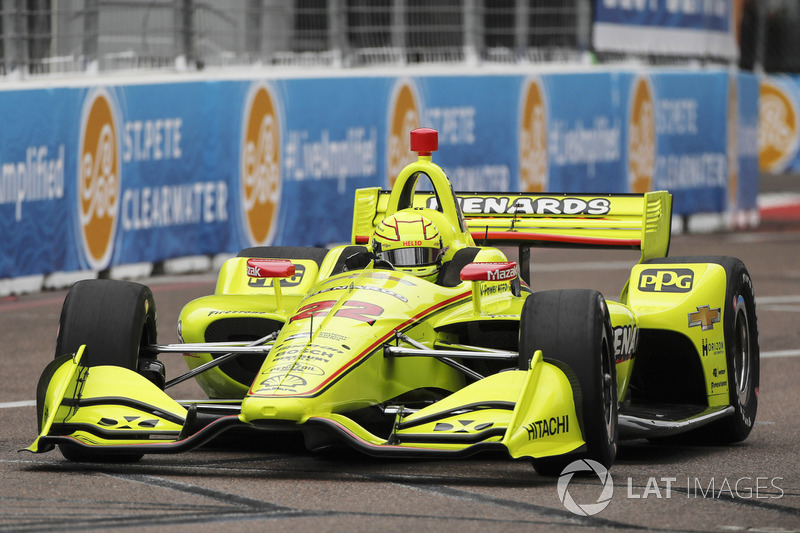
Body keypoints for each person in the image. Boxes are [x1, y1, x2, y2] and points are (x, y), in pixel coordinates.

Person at [345, 210, 446, 282]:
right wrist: (352, 275)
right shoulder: (369, 283)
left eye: (425, 255)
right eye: (401, 256)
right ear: (378, 256)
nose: (414, 267)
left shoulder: (452, 282)